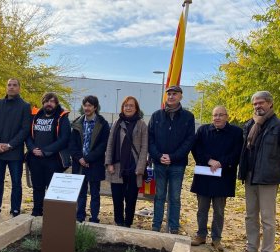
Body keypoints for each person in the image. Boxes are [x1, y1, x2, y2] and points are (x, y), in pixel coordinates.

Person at [236, 91, 280, 252]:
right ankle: (252, 248)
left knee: (267, 218)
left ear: (270, 103)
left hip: (268, 179)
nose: (257, 106)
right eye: (255, 104)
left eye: (261, 103)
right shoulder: (250, 125)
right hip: (250, 177)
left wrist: (275, 170)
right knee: (250, 215)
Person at [190, 106, 243, 251]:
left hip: (224, 176)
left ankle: (216, 239)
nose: (217, 118)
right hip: (204, 175)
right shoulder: (202, 130)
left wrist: (221, 163)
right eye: (215, 115)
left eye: (220, 115)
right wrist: (209, 160)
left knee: (219, 210)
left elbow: (237, 152)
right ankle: (201, 235)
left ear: (227, 116)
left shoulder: (236, 133)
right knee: (202, 209)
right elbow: (196, 149)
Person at [148, 85, 195, 234]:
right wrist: (158, 155)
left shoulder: (188, 117)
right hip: (159, 163)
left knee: (175, 197)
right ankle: (156, 225)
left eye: (175, 94)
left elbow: (189, 140)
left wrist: (173, 157)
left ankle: (173, 227)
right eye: (169, 94)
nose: (171, 96)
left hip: (177, 165)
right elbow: (150, 139)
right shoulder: (156, 116)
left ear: (181, 96)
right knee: (159, 195)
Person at [0, 79, 31, 220]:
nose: (11, 87)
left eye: (15, 85)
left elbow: (25, 129)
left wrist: (10, 145)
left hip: (14, 153)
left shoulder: (25, 106)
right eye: (9, 85)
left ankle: (15, 210)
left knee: (16, 183)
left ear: (19, 88)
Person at [105, 96, 148, 227]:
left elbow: (144, 147)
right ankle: (119, 222)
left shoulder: (141, 124)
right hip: (117, 167)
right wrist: (109, 163)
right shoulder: (117, 122)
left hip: (134, 167)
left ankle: (127, 224)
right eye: (126, 105)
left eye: (131, 105)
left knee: (131, 199)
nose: (128, 108)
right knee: (117, 199)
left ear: (136, 109)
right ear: (122, 107)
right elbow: (110, 143)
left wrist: (140, 168)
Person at [26, 92, 71, 216]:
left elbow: (64, 139)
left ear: (56, 103)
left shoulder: (62, 118)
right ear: (43, 103)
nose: (49, 104)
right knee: (37, 187)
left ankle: (51, 214)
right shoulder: (35, 116)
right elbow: (28, 136)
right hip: (35, 158)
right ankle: (37, 211)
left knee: (52, 189)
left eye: (52, 101)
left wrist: (45, 152)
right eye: (46, 101)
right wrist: (32, 148)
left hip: (53, 159)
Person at [69, 95, 109, 223]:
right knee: (81, 192)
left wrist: (88, 159)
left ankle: (94, 218)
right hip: (79, 164)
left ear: (95, 107)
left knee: (95, 193)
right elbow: (72, 145)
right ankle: (79, 216)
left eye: (90, 106)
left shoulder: (102, 124)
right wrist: (80, 158)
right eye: (85, 105)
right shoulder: (77, 123)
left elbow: (103, 145)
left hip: (95, 164)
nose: (87, 108)